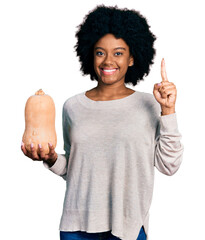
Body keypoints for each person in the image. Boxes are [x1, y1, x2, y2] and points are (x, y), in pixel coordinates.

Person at [21, 5, 184, 240]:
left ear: (132, 58)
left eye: (118, 53)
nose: (108, 61)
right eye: (100, 52)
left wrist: (168, 110)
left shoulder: (149, 104)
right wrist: (51, 158)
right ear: (91, 55)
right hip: (76, 226)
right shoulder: (72, 106)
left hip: (127, 227)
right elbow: (76, 169)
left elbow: (169, 165)